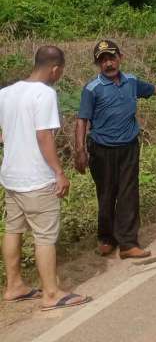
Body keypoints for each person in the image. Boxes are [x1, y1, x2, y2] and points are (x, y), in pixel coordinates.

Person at [73, 40, 156, 259]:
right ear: (98, 64)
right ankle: (106, 238)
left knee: (128, 194)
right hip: (101, 150)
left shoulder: (131, 82)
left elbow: (153, 89)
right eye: (103, 60)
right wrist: (80, 151)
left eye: (111, 58)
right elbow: (82, 120)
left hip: (128, 148)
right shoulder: (92, 88)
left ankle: (127, 244)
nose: (108, 64)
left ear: (120, 58)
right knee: (106, 195)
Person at [1, 46, 91, 310]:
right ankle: (51, 293)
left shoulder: (5, 93)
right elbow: (44, 136)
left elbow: (4, 134)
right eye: (60, 71)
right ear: (55, 68)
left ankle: (14, 286)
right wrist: (59, 172)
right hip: (36, 179)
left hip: (10, 176)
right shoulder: (45, 94)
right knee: (44, 236)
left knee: (12, 229)